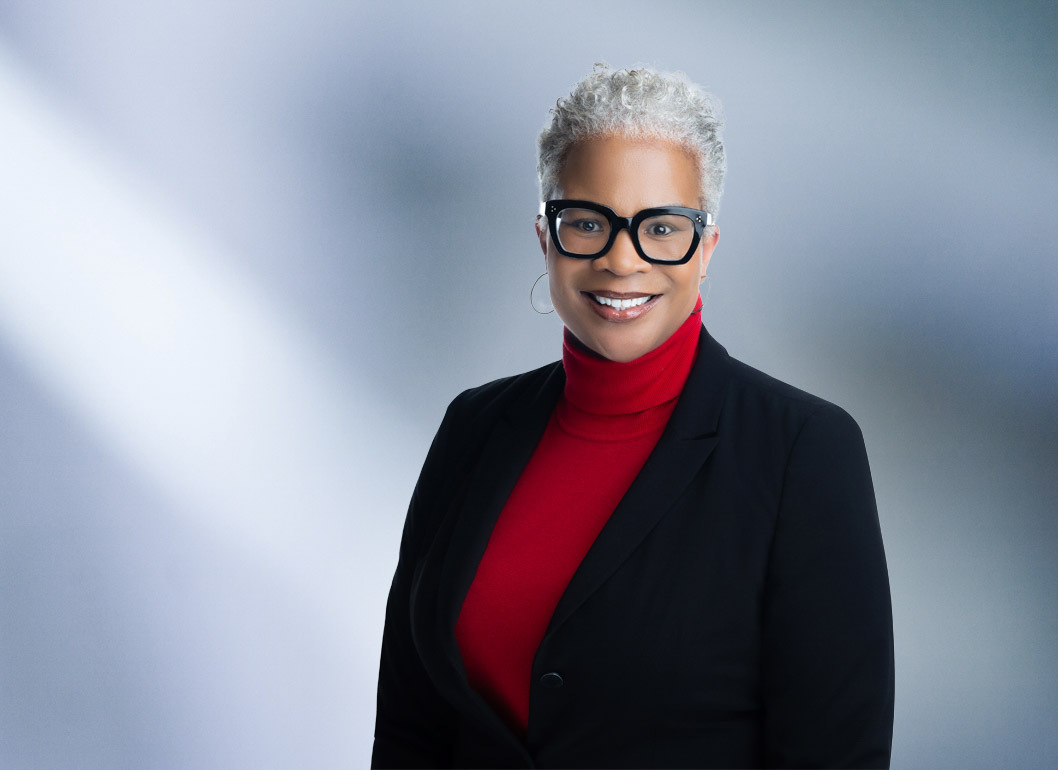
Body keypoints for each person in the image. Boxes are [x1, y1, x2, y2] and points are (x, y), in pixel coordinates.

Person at [370, 62, 895, 769]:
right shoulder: (473, 428)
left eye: (662, 227)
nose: (623, 260)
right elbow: (410, 728)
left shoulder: (803, 452)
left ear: (706, 249)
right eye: (588, 222)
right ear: (545, 238)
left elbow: (834, 757)